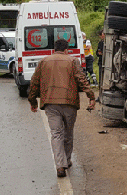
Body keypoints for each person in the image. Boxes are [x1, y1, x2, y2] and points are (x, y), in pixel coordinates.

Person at [28, 39, 96, 178]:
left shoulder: (43, 62)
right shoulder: (73, 61)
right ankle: (68, 160)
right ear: (66, 50)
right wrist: (91, 96)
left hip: (50, 103)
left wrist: (33, 101)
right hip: (69, 102)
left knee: (56, 134)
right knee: (68, 132)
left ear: (54, 49)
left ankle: (60, 165)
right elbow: (81, 79)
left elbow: (34, 82)